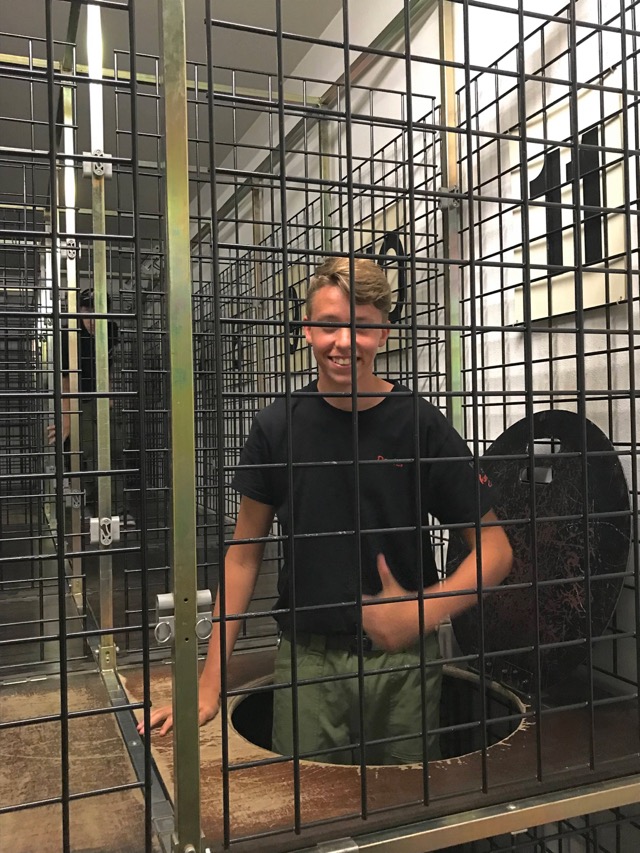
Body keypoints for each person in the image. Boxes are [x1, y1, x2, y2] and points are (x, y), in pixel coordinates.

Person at [140, 257, 512, 765]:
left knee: (405, 804)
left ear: (384, 332)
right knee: (308, 804)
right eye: (330, 325)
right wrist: (208, 684)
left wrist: (421, 612)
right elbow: (244, 556)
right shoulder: (277, 427)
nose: (344, 342)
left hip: (403, 665)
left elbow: (495, 549)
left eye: (362, 326)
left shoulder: (420, 424)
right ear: (307, 329)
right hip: (308, 664)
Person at [48, 289, 133, 525]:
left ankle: (118, 509)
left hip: (102, 397)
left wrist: (110, 396)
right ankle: (90, 505)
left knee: (115, 448)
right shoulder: (69, 333)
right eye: (87, 312)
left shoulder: (111, 330)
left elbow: (109, 364)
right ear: (80, 311)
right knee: (86, 451)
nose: (92, 319)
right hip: (79, 399)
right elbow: (65, 379)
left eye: (98, 312)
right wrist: (67, 418)